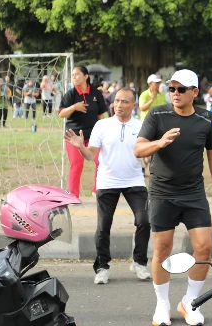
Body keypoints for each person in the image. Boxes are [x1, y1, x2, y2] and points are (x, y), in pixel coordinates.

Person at [133, 69, 212, 326]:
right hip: (163, 193)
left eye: (181, 89)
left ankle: (189, 302)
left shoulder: (206, 119)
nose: (174, 93)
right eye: (171, 88)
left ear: (195, 92)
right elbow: (138, 148)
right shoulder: (157, 114)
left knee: (204, 248)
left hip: (194, 193)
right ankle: (162, 304)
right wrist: (160, 143)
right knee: (162, 250)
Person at [63, 88, 151, 285]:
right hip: (107, 181)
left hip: (134, 181)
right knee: (103, 227)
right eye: (116, 101)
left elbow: (147, 154)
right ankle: (102, 267)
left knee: (144, 220)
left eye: (124, 102)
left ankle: (139, 262)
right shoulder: (102, 125)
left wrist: (155, 152)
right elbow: (90, 155)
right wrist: (80, 147)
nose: (119, 105)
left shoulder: (142, 126)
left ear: (134, 106)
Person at [58, 66, 108, 198]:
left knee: (100, 162)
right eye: (72, 75)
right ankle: (73, 195)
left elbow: (101, 115)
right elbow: (61, 113)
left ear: (86, 76)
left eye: (77, 74)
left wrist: (103, 132)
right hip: (74, 136)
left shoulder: (96, 94)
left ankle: (97, 190)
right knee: (77, 164)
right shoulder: (71, 94)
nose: (73, 77)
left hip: (93, 135)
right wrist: (74, 107)